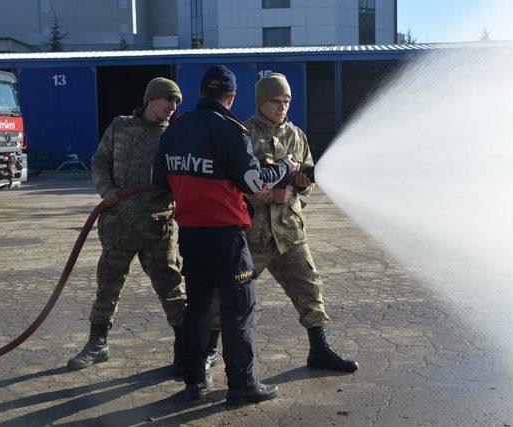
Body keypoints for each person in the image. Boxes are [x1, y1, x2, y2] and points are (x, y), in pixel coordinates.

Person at [152, 65, 297, 405]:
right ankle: (242, 384)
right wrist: (284, 167)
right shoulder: (232, 131)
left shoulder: (175, 129)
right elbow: (255, 182)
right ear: (231, 98)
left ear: (201, 92)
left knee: (198, 308)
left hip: (191, 234)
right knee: (239, 309)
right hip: (227, 237)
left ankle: (193, 381)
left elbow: (160, 180)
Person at [207, 73, 358, 373]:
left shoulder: (297, 136)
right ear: (261, 102)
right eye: (275, 101)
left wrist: (300, 185)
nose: (282, 108)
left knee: (309, 288)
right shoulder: (243, 134)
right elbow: (232, 186)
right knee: (225, 295)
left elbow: (309, 179)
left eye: (286, 101)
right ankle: (208, 350)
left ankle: (319, 349)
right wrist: (268, 198)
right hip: (252, 235)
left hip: (289, 231)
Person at [67, 78, 187, 373]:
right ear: (150, 100)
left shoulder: (176, 135)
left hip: (157, 227)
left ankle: (186, 350)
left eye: (176, 103)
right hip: (118, 225)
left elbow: (186, 179)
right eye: (168, 100)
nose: (172, 107)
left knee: (171, 288)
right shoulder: (120, 126)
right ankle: (98, 344)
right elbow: (99, 162)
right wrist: (106, 189)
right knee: (107, 285)